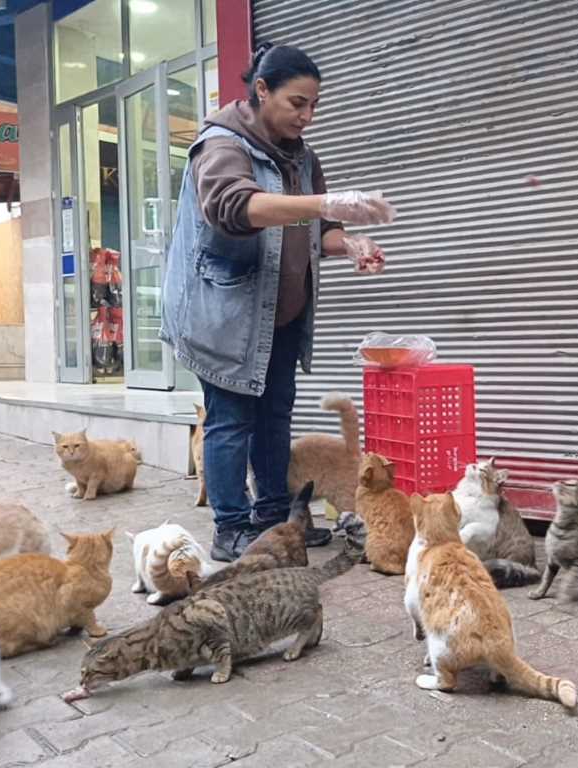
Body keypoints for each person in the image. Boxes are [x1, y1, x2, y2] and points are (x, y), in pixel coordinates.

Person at [160, 42, 395, 562]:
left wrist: (349, 242)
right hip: (226, 316)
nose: (307, 116)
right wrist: (326, 202)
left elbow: (321, 229)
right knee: (230, 420)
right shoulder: (221, 145)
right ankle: (230, 527)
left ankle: (274, 517)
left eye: (314, 105)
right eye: (296, 103)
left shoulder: (304, 158)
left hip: (282, 317)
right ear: (261, 90)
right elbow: (233, 207)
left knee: (274, 418)